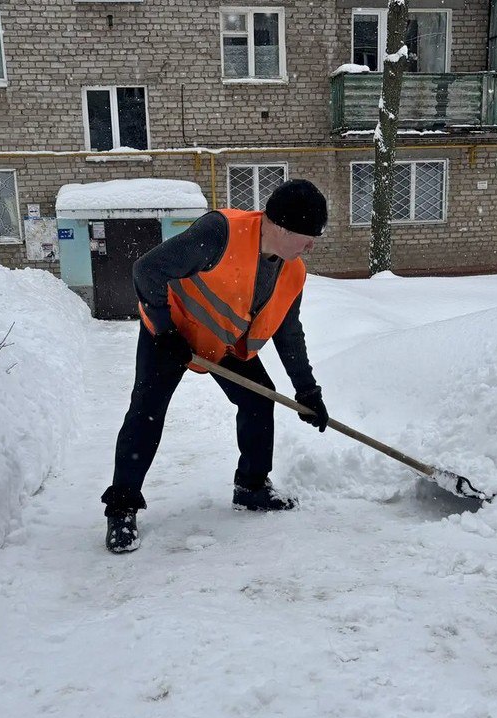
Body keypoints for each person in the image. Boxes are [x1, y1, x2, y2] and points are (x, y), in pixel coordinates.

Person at [101, 179, 331, 553]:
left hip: (222, 340)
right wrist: (165, 330)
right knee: (147, 411)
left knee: (260, 400)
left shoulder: (293, 271)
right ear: (281, 226)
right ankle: (121, 508)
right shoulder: (220, 233)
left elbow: (289, 333)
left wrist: (308, 391)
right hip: (170, 332)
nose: (311, 246)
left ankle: (251, 487)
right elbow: (147, 269)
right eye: (308, 237)